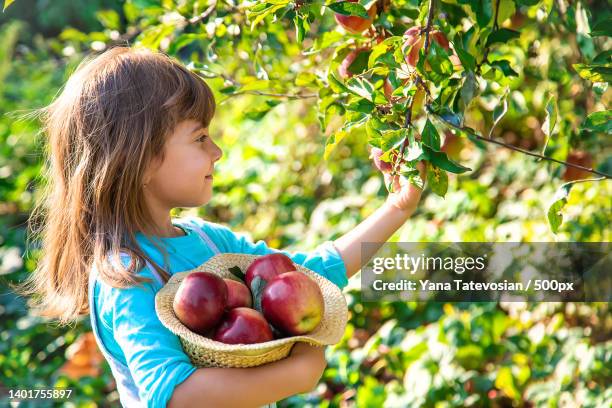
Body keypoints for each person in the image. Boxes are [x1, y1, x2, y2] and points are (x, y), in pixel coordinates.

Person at [21, 46, 425, 408]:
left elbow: (308, 275)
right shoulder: (127, 275)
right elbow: (176, 395)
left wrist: (397, 207)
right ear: (140, 160)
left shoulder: (209, 240)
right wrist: (297, 376)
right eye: (200, 139)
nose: (217, 151)